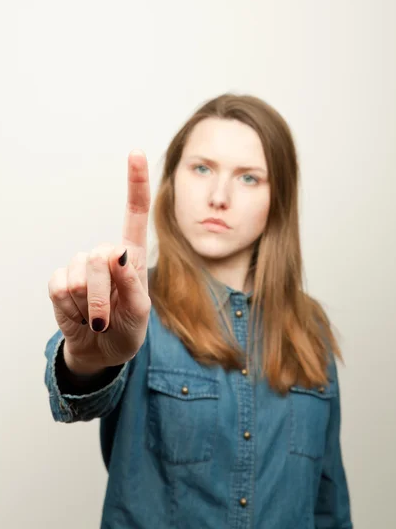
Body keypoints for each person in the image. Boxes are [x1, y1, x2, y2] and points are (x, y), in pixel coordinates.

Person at [44, 94, 353, 529]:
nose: (219, 196)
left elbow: (329, 506)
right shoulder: (134, 310)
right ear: (171, 183)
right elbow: (77, 392)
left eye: (248, 178)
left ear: (277, 198)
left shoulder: (311, 328)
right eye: (202, 168)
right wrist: (89, 357)